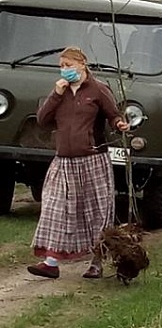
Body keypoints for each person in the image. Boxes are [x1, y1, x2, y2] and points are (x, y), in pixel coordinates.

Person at [29, 46, 130, 279]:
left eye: (69, 65)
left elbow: (113, 115)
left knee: (96, 212)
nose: (65, 70)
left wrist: (119, 125)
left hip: (92, 159)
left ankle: (96, 262)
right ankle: (51, 262)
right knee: (55, 208)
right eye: (62, 67)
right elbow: (42, 119)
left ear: (82, 64)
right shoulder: (60, 92)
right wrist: (56, 93)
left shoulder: (98, 90)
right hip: (64, 160)